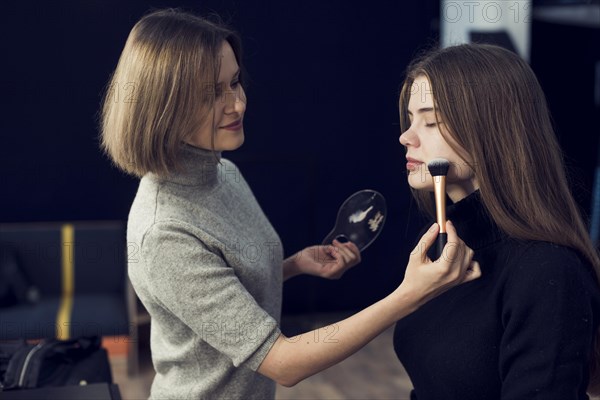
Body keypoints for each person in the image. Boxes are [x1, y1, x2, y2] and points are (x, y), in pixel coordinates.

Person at [99, 8, 480, 400]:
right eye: (214, 93)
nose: (238, 104)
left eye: (234, 83)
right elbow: (283, 362)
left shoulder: (223, 173)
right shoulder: (164, 232)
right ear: (164, 104)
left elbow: (220, 292)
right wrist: (408, 295)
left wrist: (295, 266)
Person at [393, 42, 600, 399]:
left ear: (489, 129)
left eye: (431, 121)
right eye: (411, 119)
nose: (406, 137)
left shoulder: (548, 270)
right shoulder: (446, 250)